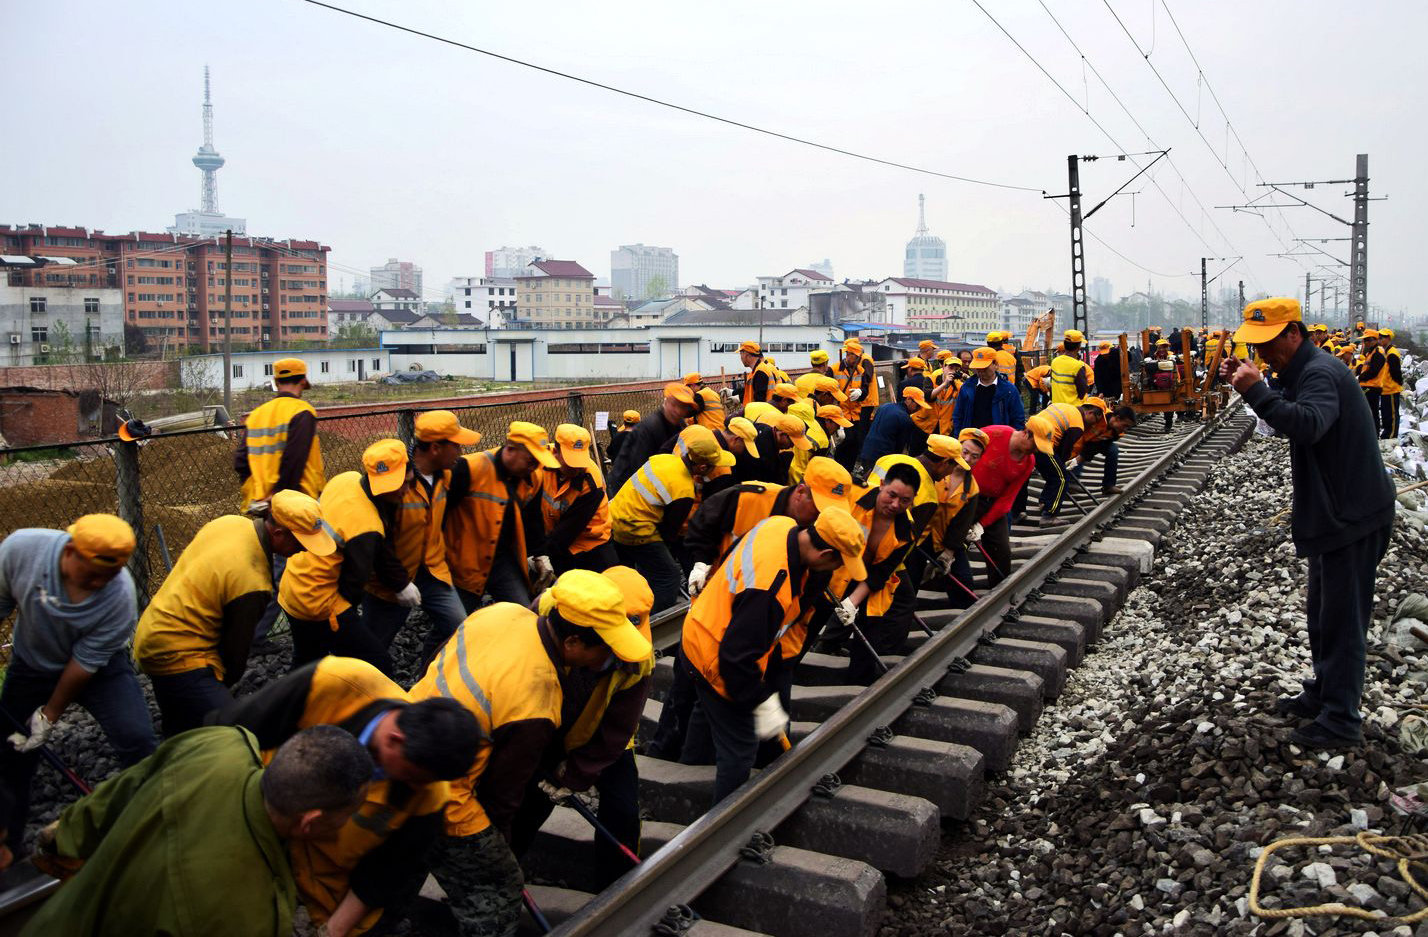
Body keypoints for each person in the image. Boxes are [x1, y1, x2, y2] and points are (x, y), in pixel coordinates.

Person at [409, 570, 650, 937]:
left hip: (413, 740)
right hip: (447, 788)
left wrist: (574, 774)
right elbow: (500, 798)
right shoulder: (537, 699)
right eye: (603, 646)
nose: (608, 654)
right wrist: (495, 855)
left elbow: (615, 731)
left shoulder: (503, 613)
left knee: (400, 864)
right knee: (497, 891)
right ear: (572, 642)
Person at [1220, 296, 1396, 749]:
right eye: (1256, 346)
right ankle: (1324, 692)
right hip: (1336, 513)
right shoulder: (1301, 370)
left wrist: (1257, 392)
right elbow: (1291, 415)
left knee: (1342, 619)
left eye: (1270, 343)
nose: (1263, 353)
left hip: (1352, 515)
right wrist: (1260, 390)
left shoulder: (1319, 371)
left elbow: (1310, 424)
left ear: (1294, 333)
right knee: (1322, 613)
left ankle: (1341, 720)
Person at [209, 658, 481, 936]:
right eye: (413, 777)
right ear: (395, 740)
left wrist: (332, 931)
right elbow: (233, 734)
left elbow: (385, 874)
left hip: (323, 899)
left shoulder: (430, 794)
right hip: (250, 842)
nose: (417, 787)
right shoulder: (335, 684)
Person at [25, 724, 372, 937]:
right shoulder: (247, 918)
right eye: (347, 815)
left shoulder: (219, 745)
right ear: (309, 822)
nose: (346, 824)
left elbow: (120, 791)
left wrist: (65, 838)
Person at [645, 458, 855, 761]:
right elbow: (701, 526)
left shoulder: (822, 544)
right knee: (687, 694)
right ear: (800, 492)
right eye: (819, 506)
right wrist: (701, 563)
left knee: (767, 712)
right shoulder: (750, 498)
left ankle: (763, 778)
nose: (823, 516)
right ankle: (667, 758)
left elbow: (806, 607)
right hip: (715, 621)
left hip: (772, 639)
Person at [680, 507, 864, 805]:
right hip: (713, 655)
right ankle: (722, 829)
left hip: (702, 628)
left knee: (707, 712)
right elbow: (736, 660)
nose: (837, 570)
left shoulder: (780, 525)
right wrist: (761, 702)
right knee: (741, 746)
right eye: (839, 563)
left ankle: (687, 780)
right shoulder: (770, 588)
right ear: (825, 553)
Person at [0, 515, 157, 858]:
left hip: (100, 671)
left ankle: (150, 824)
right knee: (13, 751)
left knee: (137, 738)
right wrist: (31, 724)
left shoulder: (120, 597)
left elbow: (83, 664)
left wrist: (48, 716)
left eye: (109, 575)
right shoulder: (21, 551)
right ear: (70, 551)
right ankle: (8, 845)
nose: (100, 583)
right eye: (91, 575)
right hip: (32, 662)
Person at [134, 490, 336, 736]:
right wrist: (219, 688)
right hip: (177, 653)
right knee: (240, 733)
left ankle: (179, 743)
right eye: (301, 542)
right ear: (279, 533)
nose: (304, 550)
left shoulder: (228, 523)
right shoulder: (253, 582)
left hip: (152, 629)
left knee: (182, 723)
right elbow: (235, 651)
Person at [509, 566, 654, 890]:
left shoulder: (637, 660)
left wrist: (574, 774)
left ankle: (616, 887)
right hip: (543, 722)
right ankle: (498, 874)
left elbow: (617, 731)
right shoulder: (553, 612)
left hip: (600, 737)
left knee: (623, 813)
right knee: (528, 807)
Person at [280, 439, 414, 674]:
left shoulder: (347, 479)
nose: (405, 490)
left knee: (307, 663)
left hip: (293, 585)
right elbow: (353, 585)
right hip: (318, 600)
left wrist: (399, 582)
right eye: (400, 484)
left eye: (407, 482)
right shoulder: (366, 525)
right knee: (375, 663)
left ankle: (293, 706)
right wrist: (344, 624)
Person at [364, 410, 481, 668]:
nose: (461, 452)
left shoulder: (447, 475)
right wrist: (399, 583)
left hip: (434, 572)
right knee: (371, 649)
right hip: (392, 583)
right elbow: (378, 542)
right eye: (456, 445)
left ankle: (428, 683)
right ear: (436, 448)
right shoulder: (394, 484)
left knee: (459, 630)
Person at [236, 357, 328, 643]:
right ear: (303, 381)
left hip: (264, 505)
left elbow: (241, 461)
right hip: (295, 506)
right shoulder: (302, 412)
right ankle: (254, 637)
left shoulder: (257, 415)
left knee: (269, 570)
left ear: (276, 382)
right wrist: (284, 498)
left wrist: (261, 491)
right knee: (288, 574)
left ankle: (253, 633)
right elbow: (294, 460)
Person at [610, 424, 734, 611]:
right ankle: (650, 619)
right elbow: (668, 533)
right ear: (701, 467)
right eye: (713, 466)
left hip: (615, 518)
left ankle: (641, 591)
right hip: (635, 530)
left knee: (650, 566)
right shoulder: (684, 490)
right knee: (669, 576)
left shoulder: (664, 459)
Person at [445, 421, 557, 613]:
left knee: (522, 613)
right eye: (530, 460)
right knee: (454, 624)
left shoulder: (533, 478)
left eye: (538, 462)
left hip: (502, 559)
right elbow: (439, 515)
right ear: (511, 449)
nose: (535, 467)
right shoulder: (470, 469)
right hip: (466, 561)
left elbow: (533, 519)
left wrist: (540, 554)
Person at [838, 463, 918, 685]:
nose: (895, 505)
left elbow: (881, 572)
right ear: (882, 485)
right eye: (891, 495)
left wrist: (853, 602)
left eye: (904, 501)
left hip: (870, 579)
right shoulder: (853, 497)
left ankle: (857, 684)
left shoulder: (906, 532)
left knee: (870, 625)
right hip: (834, 568)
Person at [532, 423, 617, 579]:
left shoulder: (591, 482)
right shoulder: (540, 462)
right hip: (556, 533)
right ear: (556, 452)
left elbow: (567, 532)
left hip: (591, 541)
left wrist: (540, 554)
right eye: (571, 463)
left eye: (580, 461)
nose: (577, 468)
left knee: (607, 584)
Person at [970, 425, 1037, 587]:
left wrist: (981, 525)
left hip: (992, 504)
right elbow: (963, 451)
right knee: (953, 543)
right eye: (1035, 446)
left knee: (1001, 551)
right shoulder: (995, 433)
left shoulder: (1029, 461)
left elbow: (1008, 498)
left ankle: (999, 593)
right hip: (965, 498)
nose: (1036, 450)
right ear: (1026, 434)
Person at [608, 383, 699, 493]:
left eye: (683, 407)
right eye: (675, 404)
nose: (678, 411)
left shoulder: (680, 425)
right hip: (627, 488)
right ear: (666, 401)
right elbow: (639, 469)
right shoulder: (650, 428)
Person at [1026, 402, 1091, 527]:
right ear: (1090, 413)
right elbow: (1065, 448)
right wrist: (1062, 464)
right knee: (1061, 478)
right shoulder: (1078, 424)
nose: (1092, 424)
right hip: (1043, 443)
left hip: (1029, 436)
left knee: (1052, 475)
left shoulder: (1065, 407)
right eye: (1095, 419)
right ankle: (1049, 516)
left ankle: (1042, 503)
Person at [952, 346, 1026, 434]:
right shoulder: (967, 387)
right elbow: (958, 416)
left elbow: (1018, 418)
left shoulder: (1008, 390)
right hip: (972, 440)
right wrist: (959, 438)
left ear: (996, 365)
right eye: (978, 368)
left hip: (999, 441)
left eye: (985, 367)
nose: (981, 371)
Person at [856, 386, 932, 471]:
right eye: (918, 405)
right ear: (908, 399)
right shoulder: (905, 419)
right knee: (880, 482)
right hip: (882, 460)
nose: (918, 409)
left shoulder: (884, 407)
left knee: (869, 479)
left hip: (867, 452)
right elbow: (899, 448)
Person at [831, 338, 879, 471]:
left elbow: (866, 381)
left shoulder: (864, 361)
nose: (847, 355)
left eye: (849, 352)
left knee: (859, 436)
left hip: (863, 403)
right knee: (852, 437)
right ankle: (846, 461)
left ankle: (856, 462)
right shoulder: (837, 368)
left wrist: (861, 391)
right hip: (848, 408)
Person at [1070, 402, 1136, 496]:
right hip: (1079, 437)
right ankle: (1071, 479)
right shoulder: (1100, 415)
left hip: (1090, 442)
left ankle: (1108, 486)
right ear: (1117, 418)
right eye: (1125, 425)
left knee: (1113, 450)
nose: (1125, 430)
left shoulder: (1117, 433)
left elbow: (1095, 446)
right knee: (1079, 449)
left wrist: (1084, 456)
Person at [1354, 329, 1386, 438]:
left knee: (1370, 412)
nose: (1366, 342)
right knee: (1370, 412)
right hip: (1368, 386)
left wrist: (1360, 377)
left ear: (1375, 340)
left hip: (1371, 387)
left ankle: (1373, 436)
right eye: (1365, 340)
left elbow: (1374, 370)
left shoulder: (1378, 352)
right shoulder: (1371, 352)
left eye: (1368, 340)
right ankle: (1371, 435)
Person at [1049, 330, 1090, 404]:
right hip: (1072, 409)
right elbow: (1082, 392)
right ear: (1078, 347)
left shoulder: (1054, 361)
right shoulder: (1078, 365)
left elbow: (1052, 383)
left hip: (1056, 407)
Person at [1378, 329, 1403, 439]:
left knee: (1392, 415)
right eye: (1380, 337)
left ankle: (1392, 435)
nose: (1380, 339)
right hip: (1386, 389)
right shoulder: (1387, 351)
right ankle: (1387, 434)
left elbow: (1396, 372)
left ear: (1388, 338)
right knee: (1386, 415)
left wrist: (1398, 384)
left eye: (1382, 337)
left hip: (1391, 389)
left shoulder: (1392, 353)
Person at [737, 340, 778, 406]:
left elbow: (759, 401)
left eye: (741, 354)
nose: (741, 358)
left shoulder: (760, 372)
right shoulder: (758, 370)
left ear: (747, 355)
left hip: (761, 413)